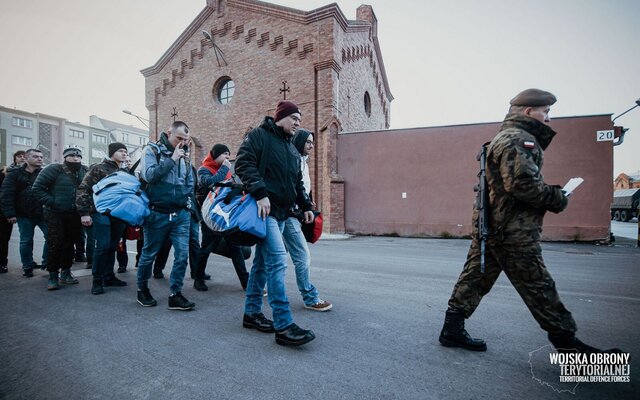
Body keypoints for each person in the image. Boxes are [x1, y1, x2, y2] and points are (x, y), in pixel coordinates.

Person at [439, 89, 621, 354]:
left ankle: (452, 329)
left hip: (494, 226)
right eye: (545, 112)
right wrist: (557, 197)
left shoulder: (502, 138)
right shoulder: (519, 139)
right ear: (528, 111)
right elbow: (523, 185)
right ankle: (568, 345)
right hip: (513, 230)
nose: (548, 119)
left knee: (476, 277)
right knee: (538, 284)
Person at [235, 100, 316, 346]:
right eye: (294, 119)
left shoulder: (291, 148)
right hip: (265, 212)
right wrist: (260, 193)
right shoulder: (259, 136)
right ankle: (283, 325)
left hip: (283, 213)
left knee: (261, 264)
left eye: (299, 121)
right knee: (277, 262)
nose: (297, 124)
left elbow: (296, 182)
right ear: (280, 117)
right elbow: (243, 163)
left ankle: (251, 314)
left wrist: (306, 206)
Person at [135, 121, 196, 310]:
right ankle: (142, 290)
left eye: (185, 140)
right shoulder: (152, 151)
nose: (182, 143)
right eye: (179, 138)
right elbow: (150, 175)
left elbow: (189, 181)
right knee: (148, 255)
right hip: (157, 213)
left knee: (182, 255)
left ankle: (175, 294)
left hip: (180, 214)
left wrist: (185, 203)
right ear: (169, 132)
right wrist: (173, 159)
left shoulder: (184, 154)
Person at [275, 129, 332, 311]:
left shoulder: (303, 163)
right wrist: (302, 204)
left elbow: (302, 187)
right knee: (302, 256)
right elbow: (290, 187)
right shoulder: (292, 160)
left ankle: (256, 287)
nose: (311, 146)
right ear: (299, 142)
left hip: (295, 212)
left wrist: (308, 202)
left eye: (312, 142)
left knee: (273, 256)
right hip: (289, 213)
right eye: (307, 142)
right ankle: (310, 297)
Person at [194, 143, 249, 291]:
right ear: (215, 154)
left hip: (226, 215)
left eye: (228, 154)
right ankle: (198, 278)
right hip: (210, 216)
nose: (227, 157)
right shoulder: (204, 169)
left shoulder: (228, 173)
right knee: (206, 248)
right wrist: (225, 168)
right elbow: (209, 183)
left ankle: (245, 281)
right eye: (224, 154)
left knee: (236, 248)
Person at [76, 142, 129, 295]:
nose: (124, 153)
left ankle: (109, 276)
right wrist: (84, 212)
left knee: (113, 246)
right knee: (103, 246)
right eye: (120, 151)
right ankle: (97, 280)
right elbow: (83, 189)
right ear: (112, 152)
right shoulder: (98, 168)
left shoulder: (124, 171)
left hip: (118, 214)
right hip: (100, 212)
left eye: (125, 151)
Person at [32, 147, 87, 290]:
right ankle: (53, 275)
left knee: (70, 244)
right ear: (65, 157)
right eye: (72, 156)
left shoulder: (84, 170)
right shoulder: (54, 169)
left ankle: (66, 272)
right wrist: (52, 201)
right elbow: (37, 188)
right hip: (55, 213)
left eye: (78, 156)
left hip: (74, 214)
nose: (75, 158)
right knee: (55, 244)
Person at [0, 149, 48, 277]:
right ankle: (27, 266)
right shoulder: (14, 174)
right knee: (26, 240)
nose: (40, 159)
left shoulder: (45, 173)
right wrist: (10, 214)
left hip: (42, 213)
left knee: (51, 237)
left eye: (41, 157)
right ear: (26, 158)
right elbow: (6, 194)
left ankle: (46, 263)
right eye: (36, 156)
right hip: (24, 213)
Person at [0, 151, 26, 273]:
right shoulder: (5, 172)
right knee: (3, 238)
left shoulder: (30, 173)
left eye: (24, 156)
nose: (22, 158)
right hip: (5, 210)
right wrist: (8, 212)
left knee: (25, 237)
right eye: (19, 156)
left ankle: (27, 261)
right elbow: (5, 193)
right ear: (15, 158)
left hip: (22, 210)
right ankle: (2, 263)